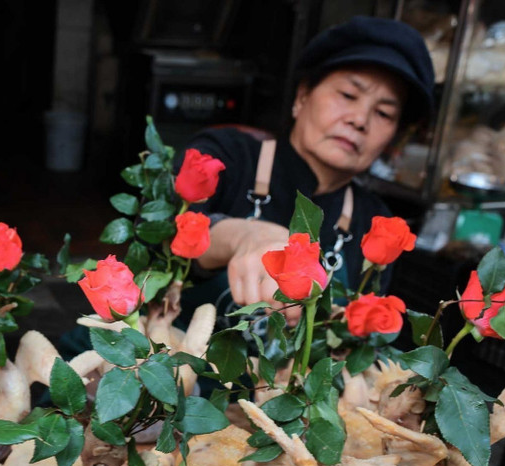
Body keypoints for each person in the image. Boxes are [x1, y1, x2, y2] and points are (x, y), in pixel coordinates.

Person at [180, 16, 435, 325]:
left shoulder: (376, 224)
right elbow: (164, 235)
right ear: (302, 97)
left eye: (383, 113)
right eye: (348, 96)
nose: (360, 119)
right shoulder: (225, 156)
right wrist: (245, 235)